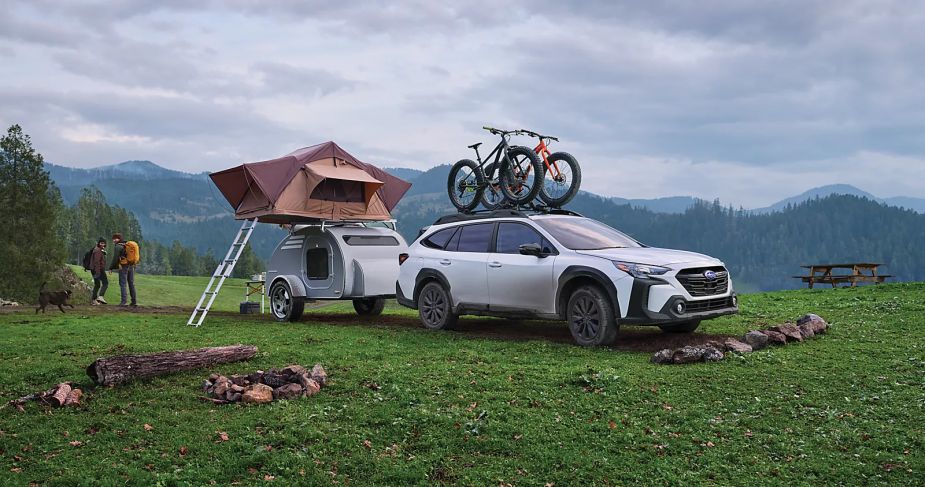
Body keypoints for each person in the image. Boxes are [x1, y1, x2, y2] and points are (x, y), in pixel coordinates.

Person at [109, 232, 137, 307]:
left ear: (119, 239)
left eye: (116, 238)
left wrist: (111, 267)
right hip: (131, 265)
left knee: (123, 284)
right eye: (114, 238)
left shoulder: (118, 246)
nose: (114, 240)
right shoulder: (126, 244)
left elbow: (115, 259)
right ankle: (134, 301)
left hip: (124, 266)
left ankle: (123, 302)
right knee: (131, 283)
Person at [89, 238, 108, 305]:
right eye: (101, 243)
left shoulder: (98, 250)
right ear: (99, 243)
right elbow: (96, 262)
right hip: (98, 270)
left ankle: (94, 300)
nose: (103, 244)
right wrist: (98, 272)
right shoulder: (97, 251)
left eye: (104, 243)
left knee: (97, 285)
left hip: (95, 269)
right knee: (105, 283)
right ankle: (100, 296)